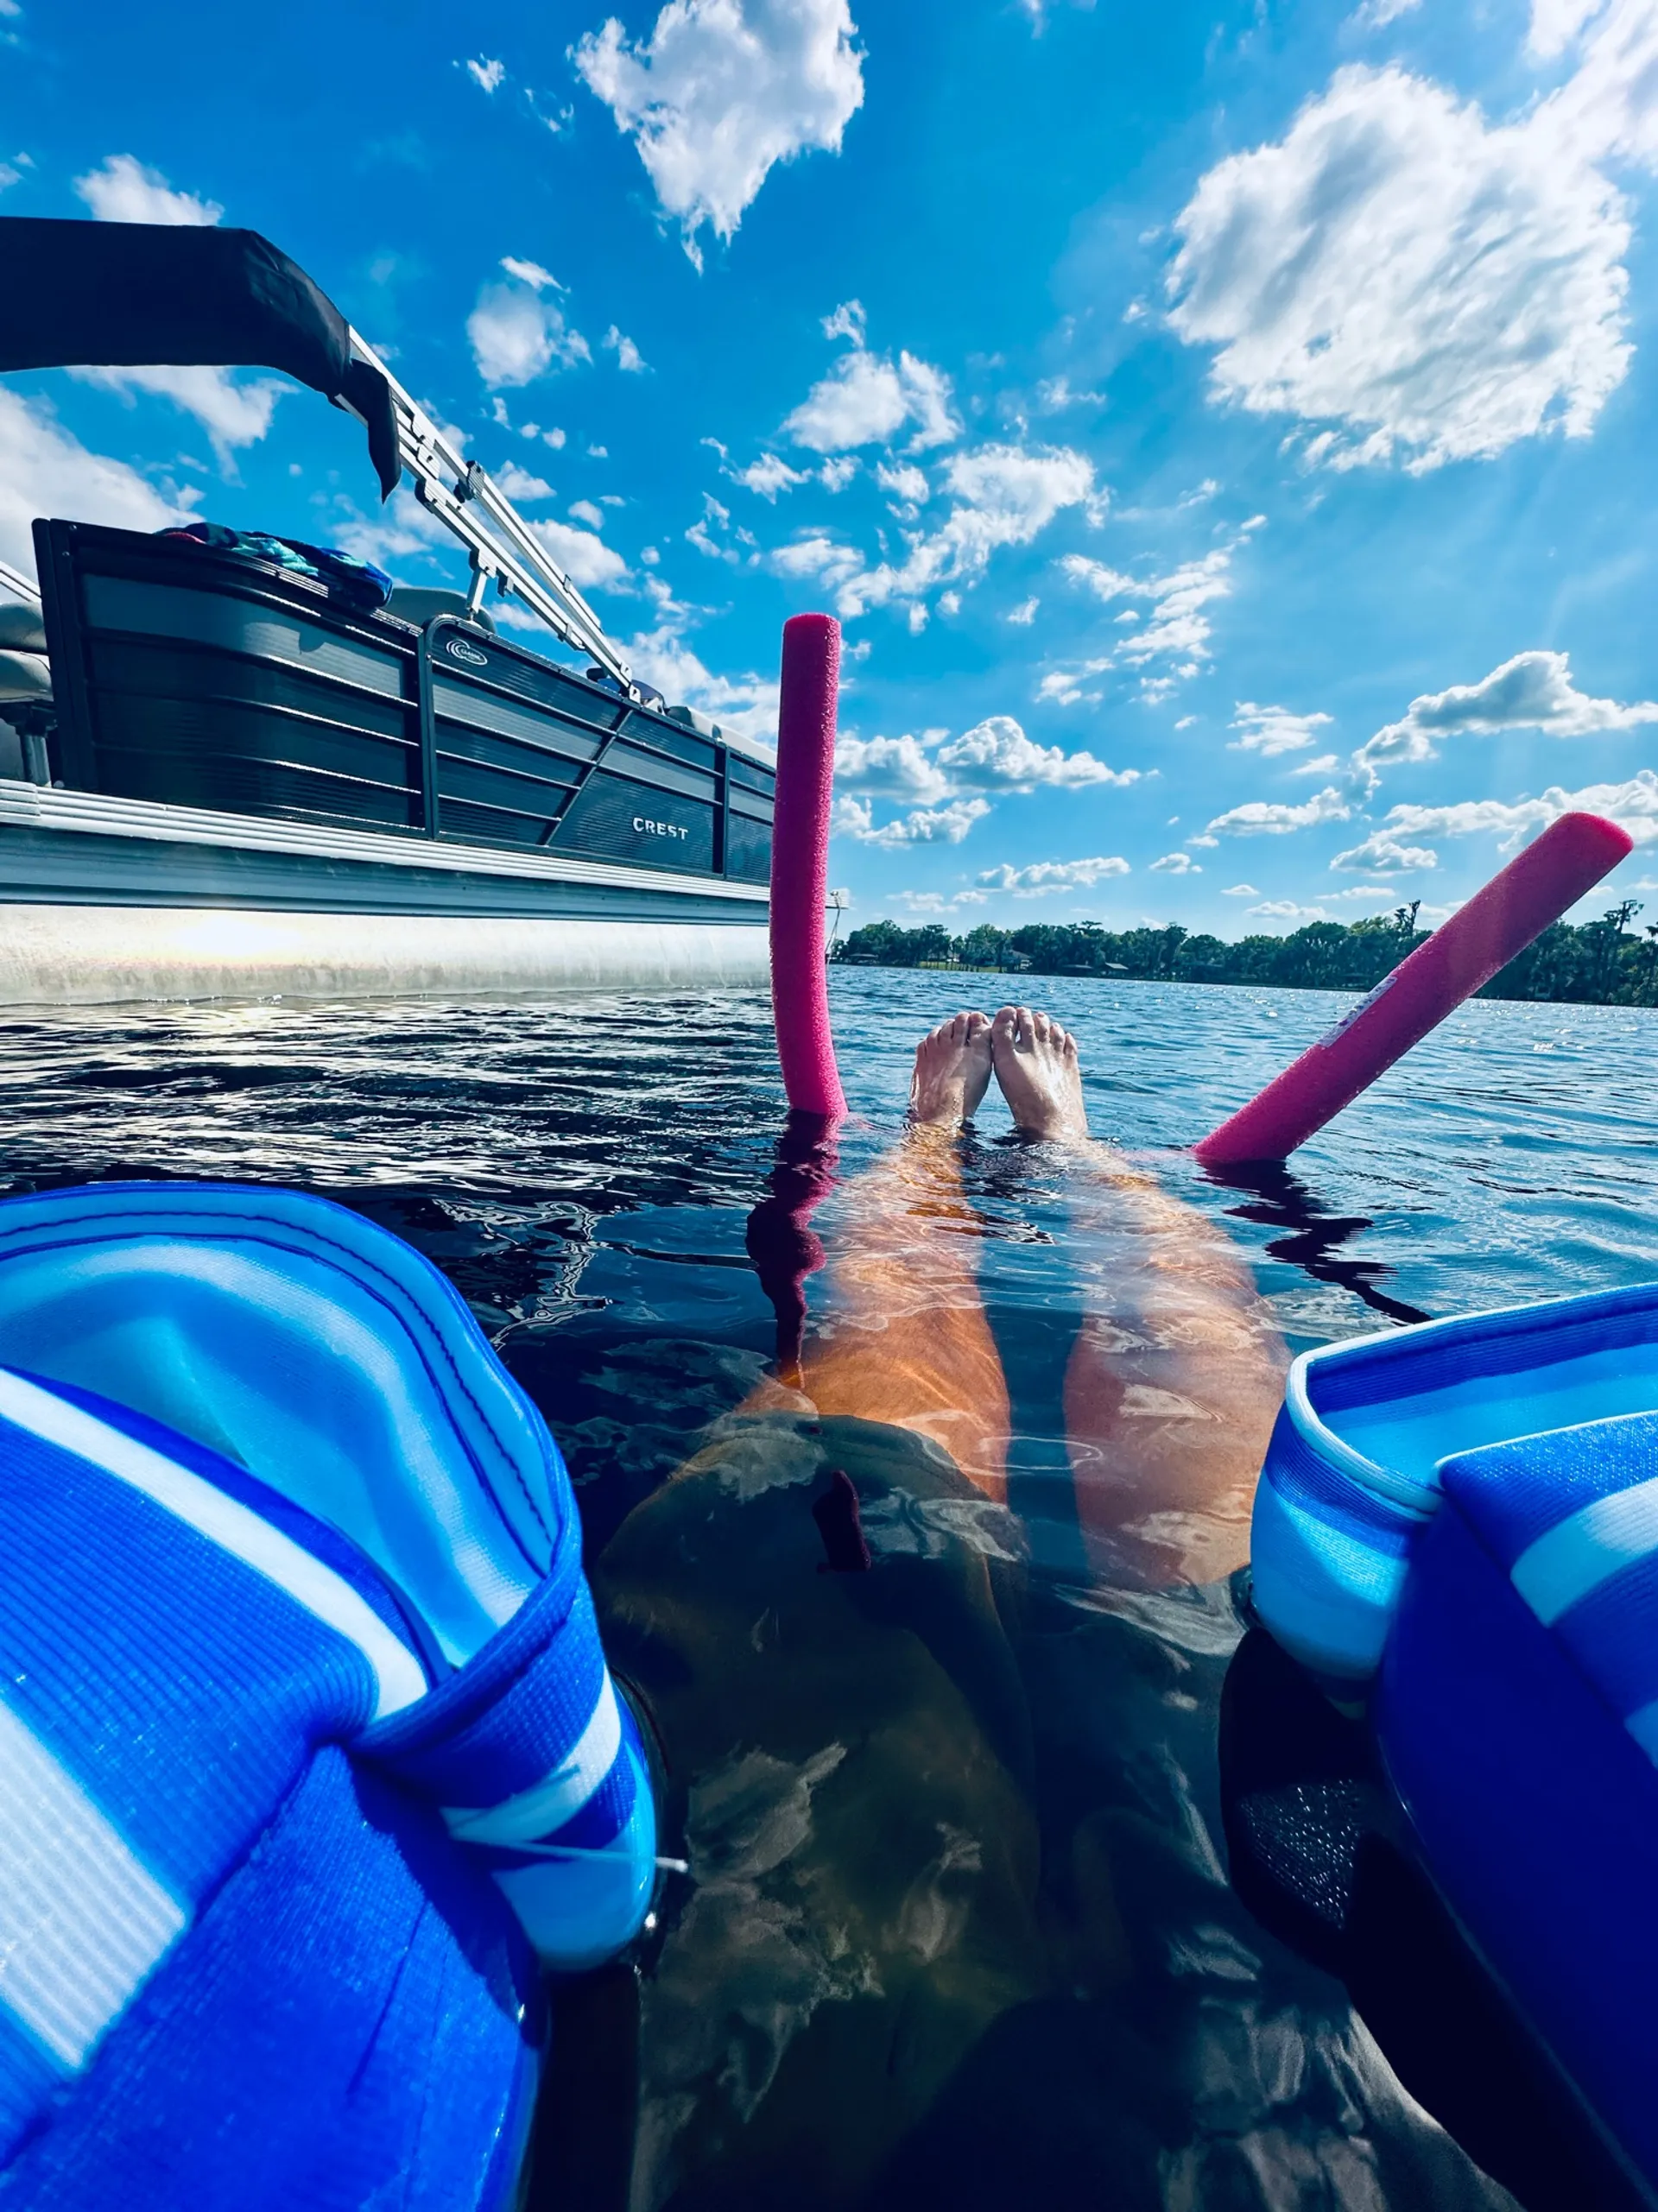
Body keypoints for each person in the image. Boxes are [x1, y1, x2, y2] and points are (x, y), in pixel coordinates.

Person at [742, 1003, 1288, 1589]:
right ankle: (1073, 1148)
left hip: (818, 1588)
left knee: (901, 1284)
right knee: (1191, 1309)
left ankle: (931, 1136)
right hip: (1253, 1620)